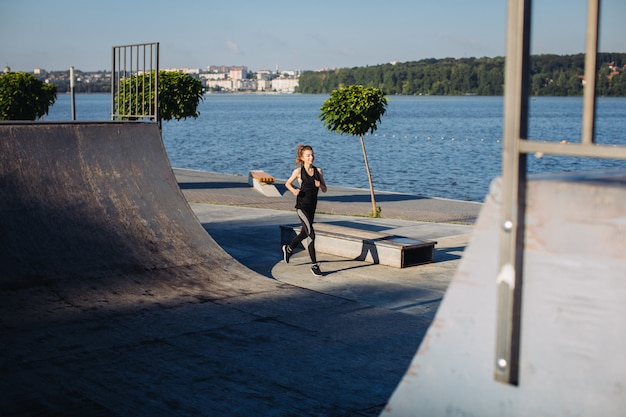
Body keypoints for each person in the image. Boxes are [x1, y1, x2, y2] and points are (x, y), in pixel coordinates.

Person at [282, 144, 327, 276]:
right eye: (308, 155)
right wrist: (293, 190)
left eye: (312, 155)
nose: (311, 157)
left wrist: (320, 185)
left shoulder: (318, 171)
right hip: (301, 207)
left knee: (304, 233)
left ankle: (289, 249)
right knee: (311, 234)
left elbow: (325, 189)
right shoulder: (298, 172)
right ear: (302, 157)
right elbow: (287, 183)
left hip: (312, 207)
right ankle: (314, 265)